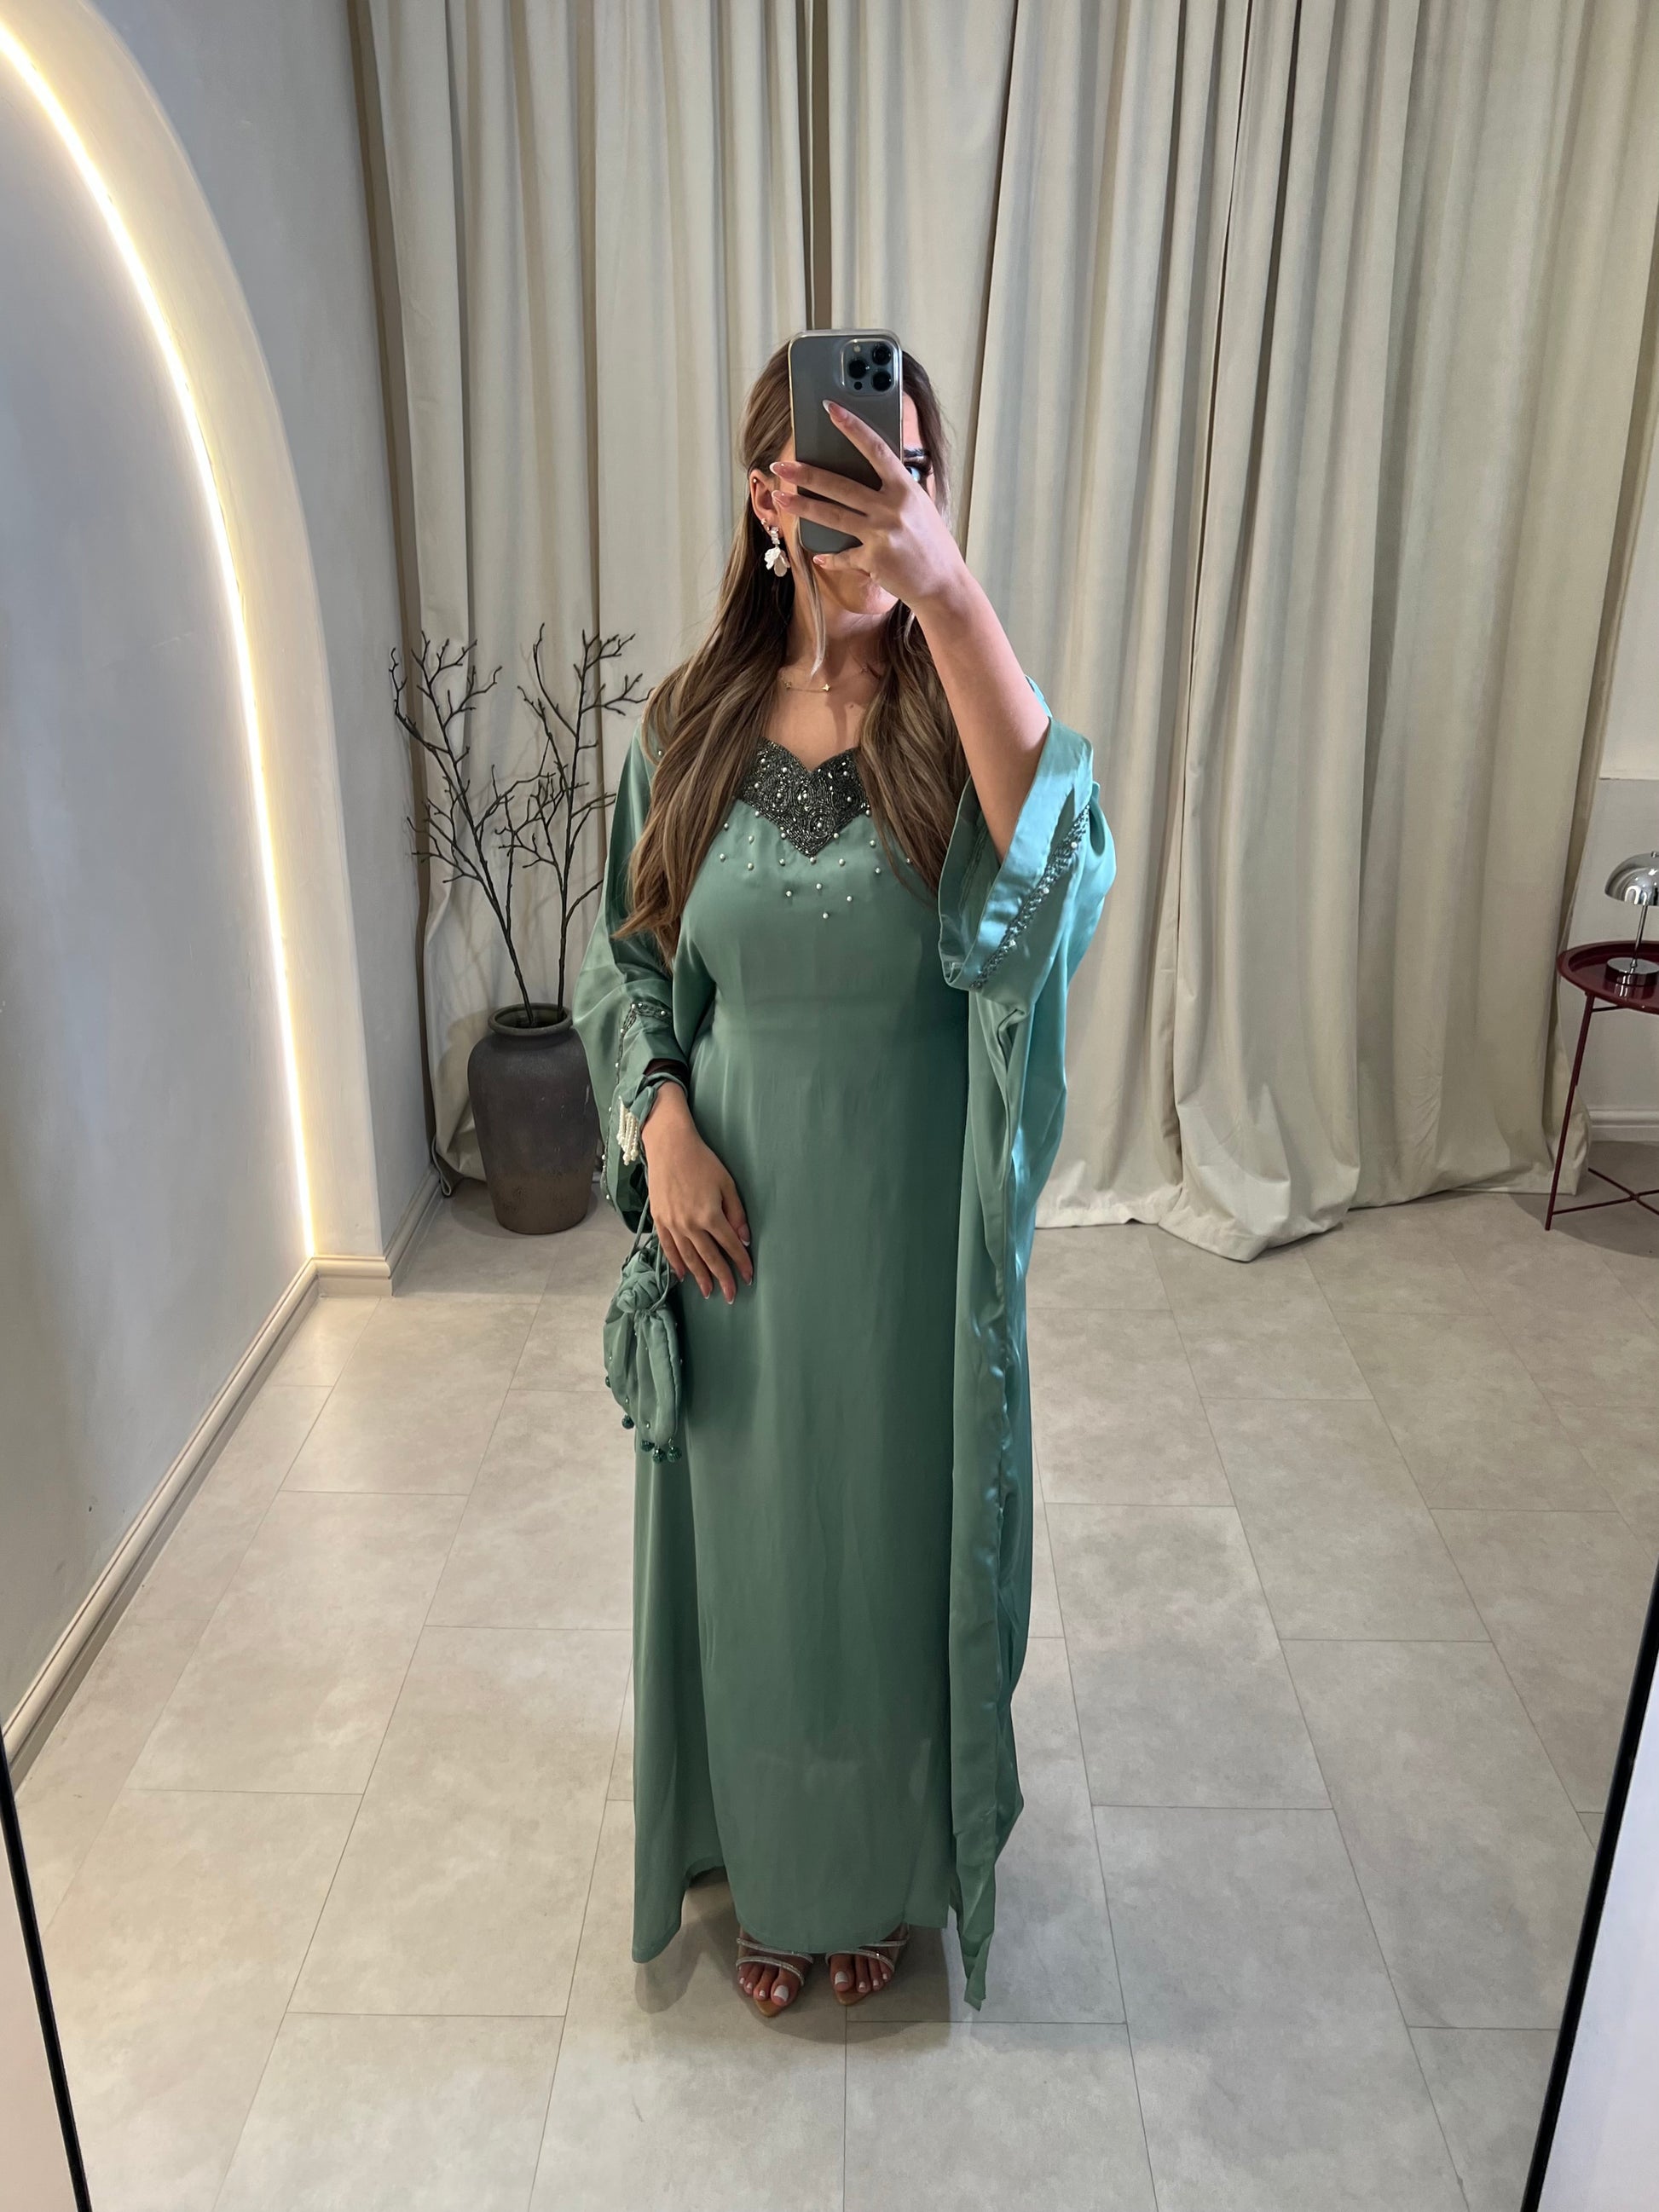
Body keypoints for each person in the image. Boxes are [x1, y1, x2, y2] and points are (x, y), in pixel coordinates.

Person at [574, 335, 1114, 2017]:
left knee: (885, 1550)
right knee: (757, 1559)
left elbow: (1056, 887)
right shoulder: (689, 725)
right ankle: (771, 1860)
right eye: (847, 473)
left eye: (911, 473)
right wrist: (660, 1122)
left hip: (903, 1245)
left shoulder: (964, 719)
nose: (884, 502)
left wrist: (947, 598)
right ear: (769, 497)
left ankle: (873, 1865)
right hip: (732, 1237)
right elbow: (629, 961)